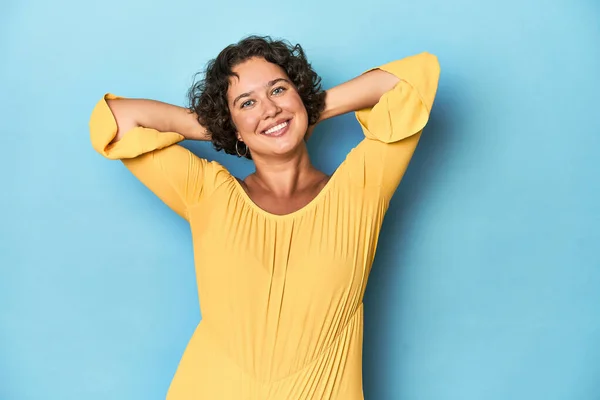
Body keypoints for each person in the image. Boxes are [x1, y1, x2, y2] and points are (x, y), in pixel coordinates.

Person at [89, 35, 440, 400]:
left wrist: (306, 108)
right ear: (232, 125)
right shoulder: (207, 192)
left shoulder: (361, 190)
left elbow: (413, 81)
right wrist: (222, 127)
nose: (269, 109)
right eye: (247, 102)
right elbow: (117, 119)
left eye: (278, 90)